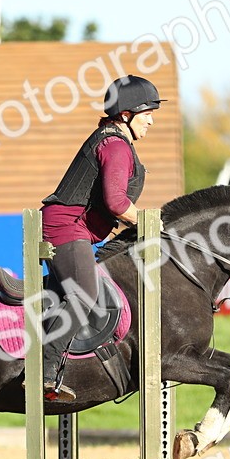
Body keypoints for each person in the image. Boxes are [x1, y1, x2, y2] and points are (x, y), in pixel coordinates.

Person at [36, 75, 165, 402]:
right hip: (65, 228)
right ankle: (44, 373)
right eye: (147, 112)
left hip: (72, 228)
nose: (151, 120)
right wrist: (153, 224)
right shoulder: (115, 144)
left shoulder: (115, 141)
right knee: (85, 294)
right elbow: (117, 203)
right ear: (126, 114)